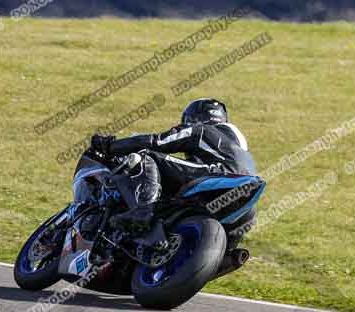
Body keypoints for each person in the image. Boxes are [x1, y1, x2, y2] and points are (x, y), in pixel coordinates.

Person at [90, 98, 256, 237]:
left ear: (193, 117)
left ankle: (142, 211)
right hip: (245, 195)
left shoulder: (199, 129)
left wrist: (110, 146)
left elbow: (157, 142)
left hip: (218, 174)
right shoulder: (235, 146)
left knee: (147, 155)